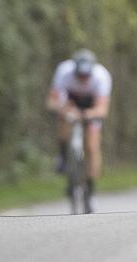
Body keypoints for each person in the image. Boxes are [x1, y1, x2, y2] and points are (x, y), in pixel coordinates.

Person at [47, 49, 112, 212]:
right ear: (74, 70)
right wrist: (64, 110)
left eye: (86, 76)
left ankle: (90, 189)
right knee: (63, 120)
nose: (83, 79)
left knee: (92, 145)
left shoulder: (101, 76)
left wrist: (87, 114)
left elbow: (102, 109)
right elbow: (52, 101)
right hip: (70, 104)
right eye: (79, 76)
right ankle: (63, 155)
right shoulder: (63, 72)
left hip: (90, 108)